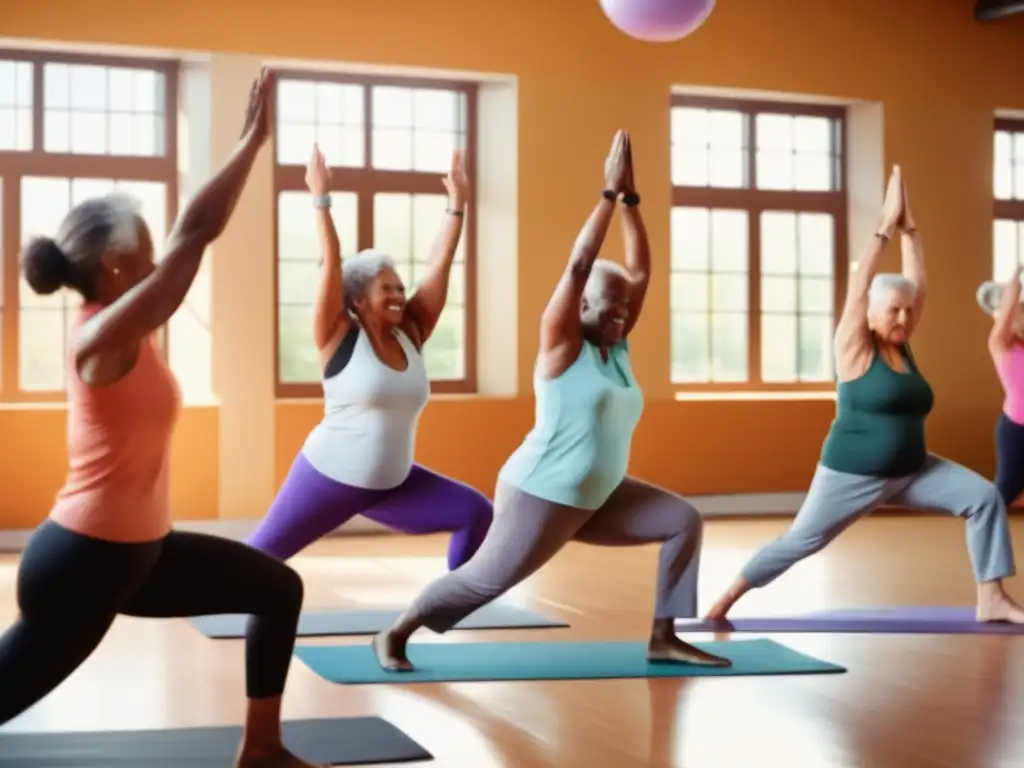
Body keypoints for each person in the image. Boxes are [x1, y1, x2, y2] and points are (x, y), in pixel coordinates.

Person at [0, 71, 326, 768]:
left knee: (276, 588)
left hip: (137, 554)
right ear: (117, 267)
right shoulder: (101, 339)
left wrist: (251, 143)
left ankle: (261, 748)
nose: (161, 256)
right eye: (146, 250)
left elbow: (186, 234)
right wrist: (252, 143)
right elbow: (197, 236)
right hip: (83, 565)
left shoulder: (126, 325)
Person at [371, 130, 732, 672]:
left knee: (683, 520)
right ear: (582, 304)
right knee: (484, 580)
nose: (619, 316)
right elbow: (580, 262)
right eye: (609, 308)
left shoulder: (616, 345)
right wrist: (607, 197)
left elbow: (641, 273)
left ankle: (664, 635)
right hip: (543, 491)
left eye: (623, 310)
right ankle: (396, 633)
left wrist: (634, 201)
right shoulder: (562, 344)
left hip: (600, 492)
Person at [705, 166, 1024, 625]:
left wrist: (910, 227)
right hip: (851, 475)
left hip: (913, 470)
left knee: (984, 498)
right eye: (892, 309)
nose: (903, 316)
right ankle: (724, 601)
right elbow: (858, 287)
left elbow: (920, 280)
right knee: (800, 541)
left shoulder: (903, 344)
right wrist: (883, 227)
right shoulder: (854, 347)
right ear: (870, 314)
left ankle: (991, 597)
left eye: (907, 310)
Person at [245, 145, 493, 567]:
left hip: (392, 486)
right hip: (326, 477)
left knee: (476, 512)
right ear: (357, 301)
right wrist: (321, 201)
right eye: (387, 290)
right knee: (258, 558)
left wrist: (457, 208)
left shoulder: (412, 333)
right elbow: (331, 268)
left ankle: (447, 605)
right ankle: (192, 595)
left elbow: (440, 265)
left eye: (400, 288)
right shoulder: (337, 336)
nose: (399, 296)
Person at [977, 267, 1024, 508]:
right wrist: (1016, 274)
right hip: (1016, 429)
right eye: (1014, 313)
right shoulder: (1000, 346)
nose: (1019, 317)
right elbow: (1006, 314)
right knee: (1006, 490)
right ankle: (981, 520)